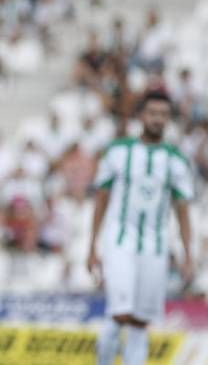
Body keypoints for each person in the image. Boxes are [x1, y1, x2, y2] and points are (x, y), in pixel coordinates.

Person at [87, 90, 194, 365]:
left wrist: (188, 255)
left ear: (168, 119)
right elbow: (101, 199)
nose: (157, 119)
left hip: (155, 246)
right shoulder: (119, 151)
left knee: (139, 321)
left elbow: (183, 210)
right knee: (120, 312)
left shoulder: (176, 160)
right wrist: (92, 247)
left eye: (163, 115)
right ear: (141, 116)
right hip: (121, 240)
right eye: (153, 113)